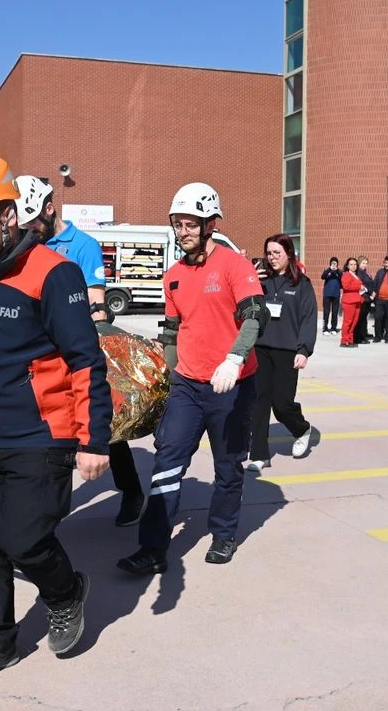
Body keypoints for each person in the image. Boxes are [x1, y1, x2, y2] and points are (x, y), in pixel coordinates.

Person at [0, 155, 111, 688]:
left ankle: (65, 593)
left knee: (25, 540)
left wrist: (93, 439)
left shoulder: (54, 275)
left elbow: (86, 359)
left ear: (8, 216)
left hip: (41, 436)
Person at [116, 181, 267, 576]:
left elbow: (255, 315)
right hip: (187, 383)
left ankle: (223, 533)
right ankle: (152, 549)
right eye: (177, 224)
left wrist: (235, 359)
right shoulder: (173, 276)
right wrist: (164, 381)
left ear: (210, 225)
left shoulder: (236, 265)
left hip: (232, 384)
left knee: (229, 464)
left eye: (190, 224)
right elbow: (171, 332)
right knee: (167, 460)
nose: (182, 231)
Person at [16, 174, 146, 527]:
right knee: (48, 431)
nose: (29, 232)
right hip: (40, 357)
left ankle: (132, 491)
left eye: (33, 225)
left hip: (75, 352)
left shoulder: (83, 245)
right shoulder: (26, 246)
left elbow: (96, 303)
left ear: (49, 208)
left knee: (102, 426)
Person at [245, 234, 316, 472]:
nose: (272, 258)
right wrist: (251, 281)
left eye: (277, 253)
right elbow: (242, 306)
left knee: (282, 404)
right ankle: (259, 455)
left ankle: (301, 429)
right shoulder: (261, 281)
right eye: (269, 253)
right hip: (261, 348)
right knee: (259, 401)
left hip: (287, 350)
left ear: (289, 254)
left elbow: (308, 319)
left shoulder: (301, 284)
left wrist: (304, 350)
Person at [339, 258, 367, 348]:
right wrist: (359, 286)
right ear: (347, 266)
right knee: (348, 322)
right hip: (349, 302)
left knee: (354, 322)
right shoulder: (346, 274)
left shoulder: (356, 275)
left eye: (355, 264)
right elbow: (346, 286)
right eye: (351, 264)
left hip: (357, 301)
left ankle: (350, 340)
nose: (353, 266)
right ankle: (344, 340)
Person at [354, 255, 375, 344]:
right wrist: (370, 294)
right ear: (359, 263)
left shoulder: (366, 272)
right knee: (360, 318)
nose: (365, 265)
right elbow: (362, 286)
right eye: (363, 263)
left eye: (366, 263)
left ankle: (364, 333)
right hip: (363, 297)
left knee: (364, 318)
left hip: (369, 298)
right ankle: (359, 337)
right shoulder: (359, 273)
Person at [320, 257, 341, 336]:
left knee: (335, 312)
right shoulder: (327, 271)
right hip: (327, 294)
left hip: (336, 294)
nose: (334, 265)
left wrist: (336, 270)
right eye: (332, 263)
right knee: (326, 312)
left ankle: (333, 328)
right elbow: (322, 277)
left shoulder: (339, 272)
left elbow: (341, 277)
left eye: (335, 263)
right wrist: (329, 269)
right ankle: (325, 328)